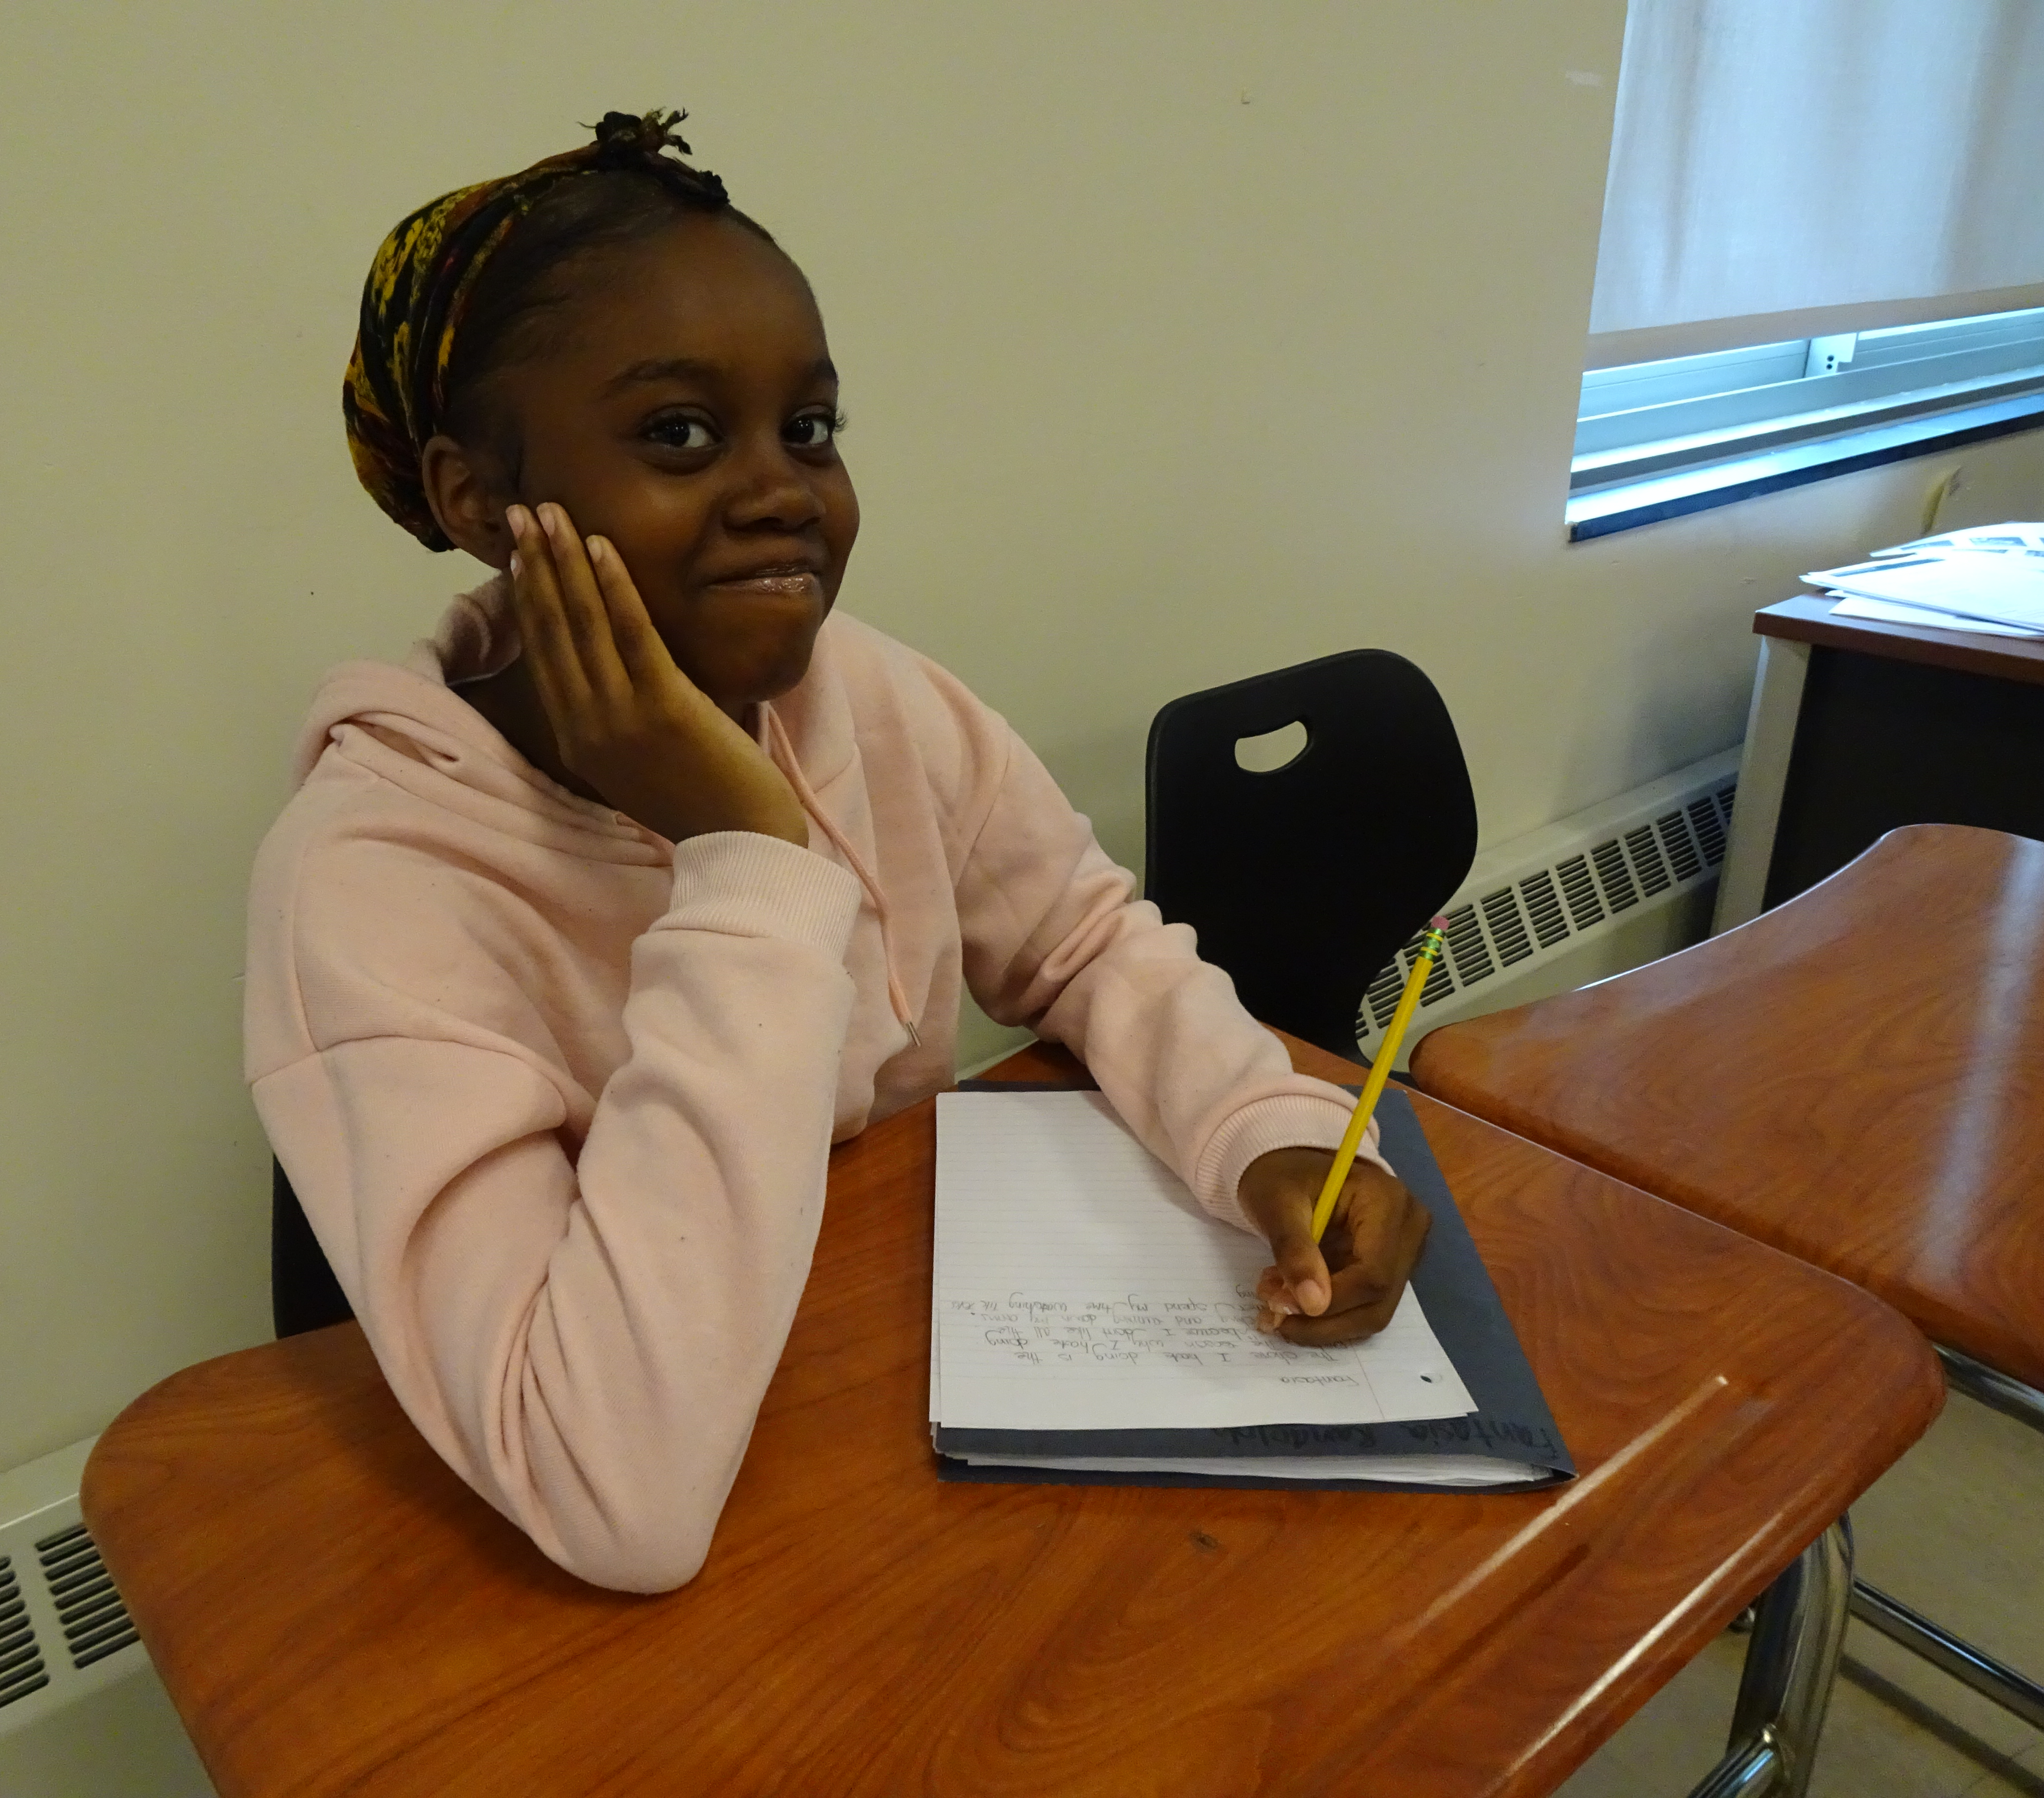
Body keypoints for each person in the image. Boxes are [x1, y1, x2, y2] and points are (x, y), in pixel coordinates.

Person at [248, 110, 1431, 1593]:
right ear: (476, 497)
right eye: (680, 434)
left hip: (872, 1402)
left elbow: (1084, 942)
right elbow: (611, 1492)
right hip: (663, 1521)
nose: (780, 489)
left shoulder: (863, 690)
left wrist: (1270, 1133)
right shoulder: (373, 885)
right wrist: (745, 852)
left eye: (807, 428)